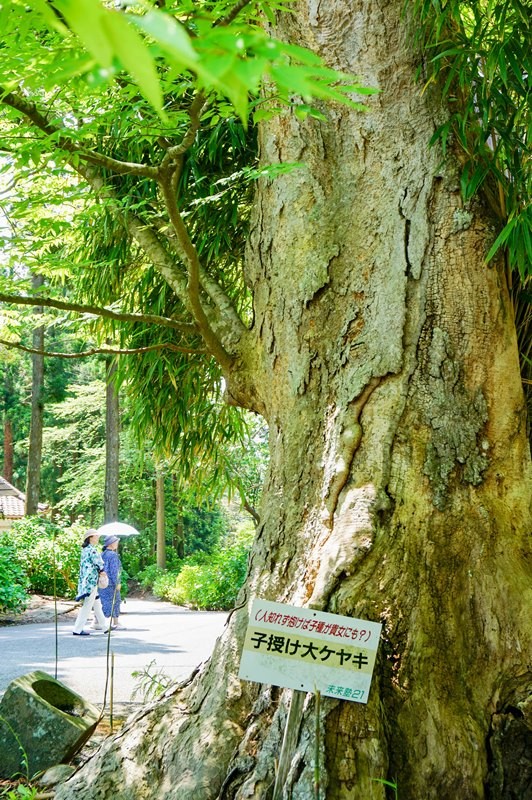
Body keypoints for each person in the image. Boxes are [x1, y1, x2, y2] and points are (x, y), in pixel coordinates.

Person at [72, 529, 107, 636]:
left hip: (86, 581)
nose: (98, 537)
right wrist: (102, 572)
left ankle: (105, 627)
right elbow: (98, 563)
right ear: (90, 537)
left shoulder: (85, 550)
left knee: (97, 605)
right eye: (96, 536)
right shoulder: (92, 550)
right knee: (87, 606)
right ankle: (77, 629)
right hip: (91, 582)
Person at [99, 534, 123, 630]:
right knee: (115, 601)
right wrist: (117, 582)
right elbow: (114, 571)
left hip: (102, 582)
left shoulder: (102, 554)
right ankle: (115, 622)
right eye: (116, 542)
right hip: (111, 583)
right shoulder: (112, 555)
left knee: (103, 602)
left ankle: (97, 621)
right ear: (111, 543)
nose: (117, 544)